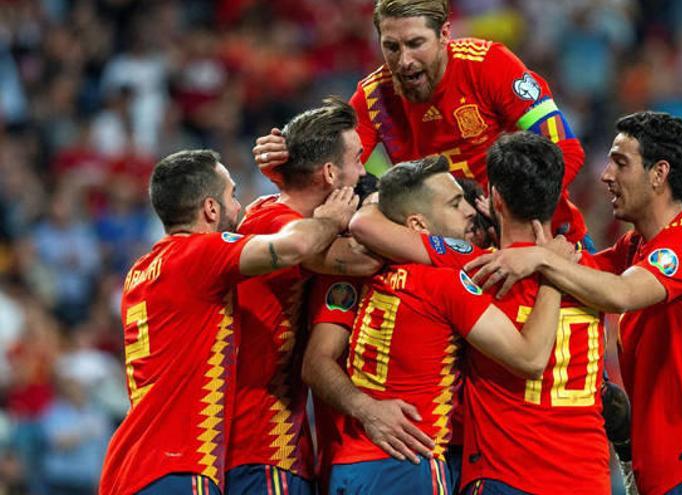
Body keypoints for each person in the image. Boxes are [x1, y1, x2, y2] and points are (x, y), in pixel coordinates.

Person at [465, 112, 682, 495]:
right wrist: (504, 226)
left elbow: (619, 293)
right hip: (665, 469)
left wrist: (541, 258)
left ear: (659, 173)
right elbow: (576, 267)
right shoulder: (635, 249)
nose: (606, 175)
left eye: (621, 163)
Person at [349, 132, 610, 494]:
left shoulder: (478, 268)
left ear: (495, 199)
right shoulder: (596, 273)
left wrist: (377, 196)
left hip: (507, 475)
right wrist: (551, 262)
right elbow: (627, 292)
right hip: (588, 478)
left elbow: (365, 226)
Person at [98, 149, 358, 495]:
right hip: (178, 467)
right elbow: (294, 246)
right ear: (210, 208)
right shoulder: (198, 254)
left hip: (126, 470)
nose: (239, 209)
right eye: (232, 195)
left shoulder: (140, 271)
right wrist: (331, 220)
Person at [252, 0, 592, 248]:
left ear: (444, 34)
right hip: (451, 253)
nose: (404, 61)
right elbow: (330, 173)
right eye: (391, 47)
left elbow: (567, 150)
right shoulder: (374, 97)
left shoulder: (490, 65)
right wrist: (286, 165)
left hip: (545, 237)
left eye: (415, 44)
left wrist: (508, 213)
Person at [225, 98, 382, 495]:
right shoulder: (280, 226)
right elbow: (364, 259)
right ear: (329, 173)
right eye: (358, 160)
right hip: (262, 444)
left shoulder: (265, 210)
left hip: (269, 443)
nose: (363, 172)